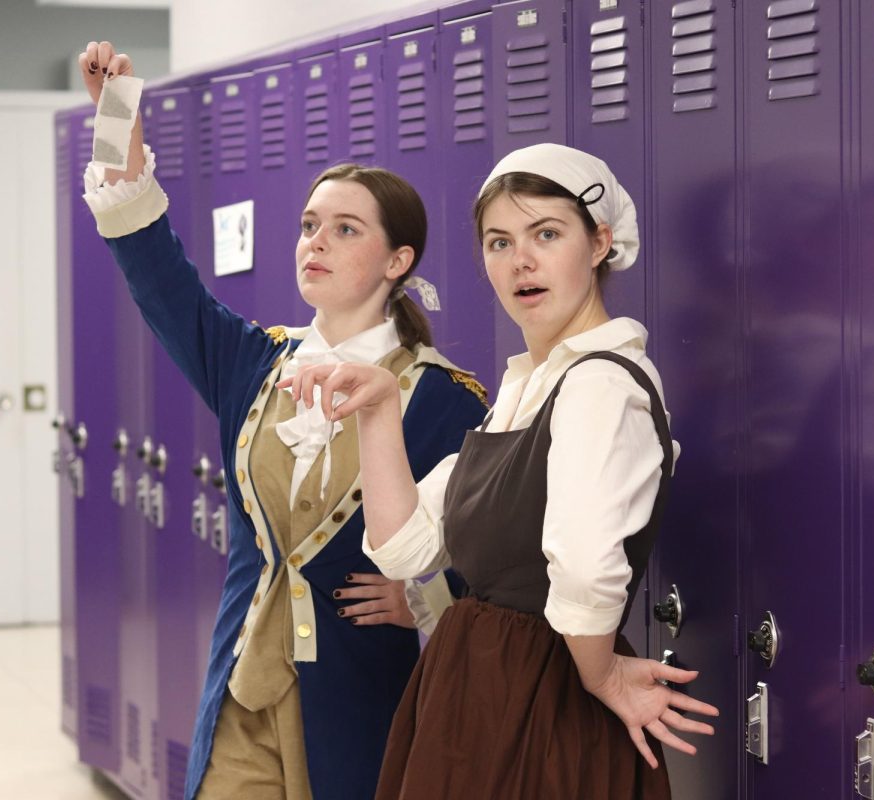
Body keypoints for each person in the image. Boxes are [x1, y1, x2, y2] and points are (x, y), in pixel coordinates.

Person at [76, 43, 488, 800]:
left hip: (358, 705)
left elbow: (502, 558)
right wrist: (118, 115)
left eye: (344, 230)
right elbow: (153, 268)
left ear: (398, 261)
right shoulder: (253, 361)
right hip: (240, 690)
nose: (315, 242)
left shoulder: (443, 399)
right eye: (308, 225)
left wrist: (428, 599)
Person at [284, 143, 720, 799]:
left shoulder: (600, 383)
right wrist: (378, 409)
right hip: (476, 690)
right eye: (498, 241)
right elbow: (405, 548)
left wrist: (603, 678)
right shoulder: (523, 390)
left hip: (544, 703)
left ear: (599, 242)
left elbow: (583, 565)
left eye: (546, 233)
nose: (520, 261)